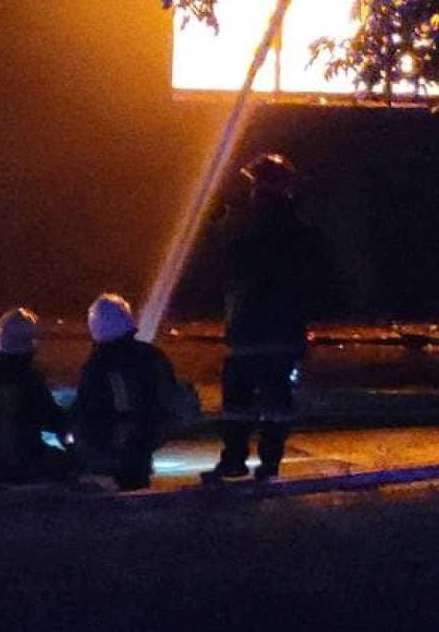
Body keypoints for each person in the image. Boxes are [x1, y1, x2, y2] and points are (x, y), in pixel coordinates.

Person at [205, 153, 331, 483]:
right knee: (275, 400)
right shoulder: (301, 226)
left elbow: (222, 247)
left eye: (255, 182)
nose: (252, 188)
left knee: (238, 400)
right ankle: (269, 463)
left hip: (248, 326)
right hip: (282, 330)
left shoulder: (246, 224)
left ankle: (234, 460)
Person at [69, 293, 175, 492]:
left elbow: (85, 406)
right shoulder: (152, 356)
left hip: (117, 443)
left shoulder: (99, 364)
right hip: (148, 436)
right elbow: (169, 397)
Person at [0, 308, 68, 481]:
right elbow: (54, 420)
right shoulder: (29, 378)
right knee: (70, 462)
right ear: (27, 343)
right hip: (23, 463)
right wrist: (79, 411)